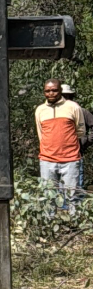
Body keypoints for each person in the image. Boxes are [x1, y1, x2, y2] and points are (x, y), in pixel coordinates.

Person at [36, 79, 86, 212]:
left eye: (54, 90)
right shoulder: (40, 110)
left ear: (60, 91)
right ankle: (48, 227)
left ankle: (74, 225)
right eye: (47, 91)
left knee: (72, 196)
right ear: (44, 92)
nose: (51, 93)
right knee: (48, 196)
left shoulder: (73, 107)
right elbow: (41, 133)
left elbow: (80, 131)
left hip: (70, 159)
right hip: (47, 159)